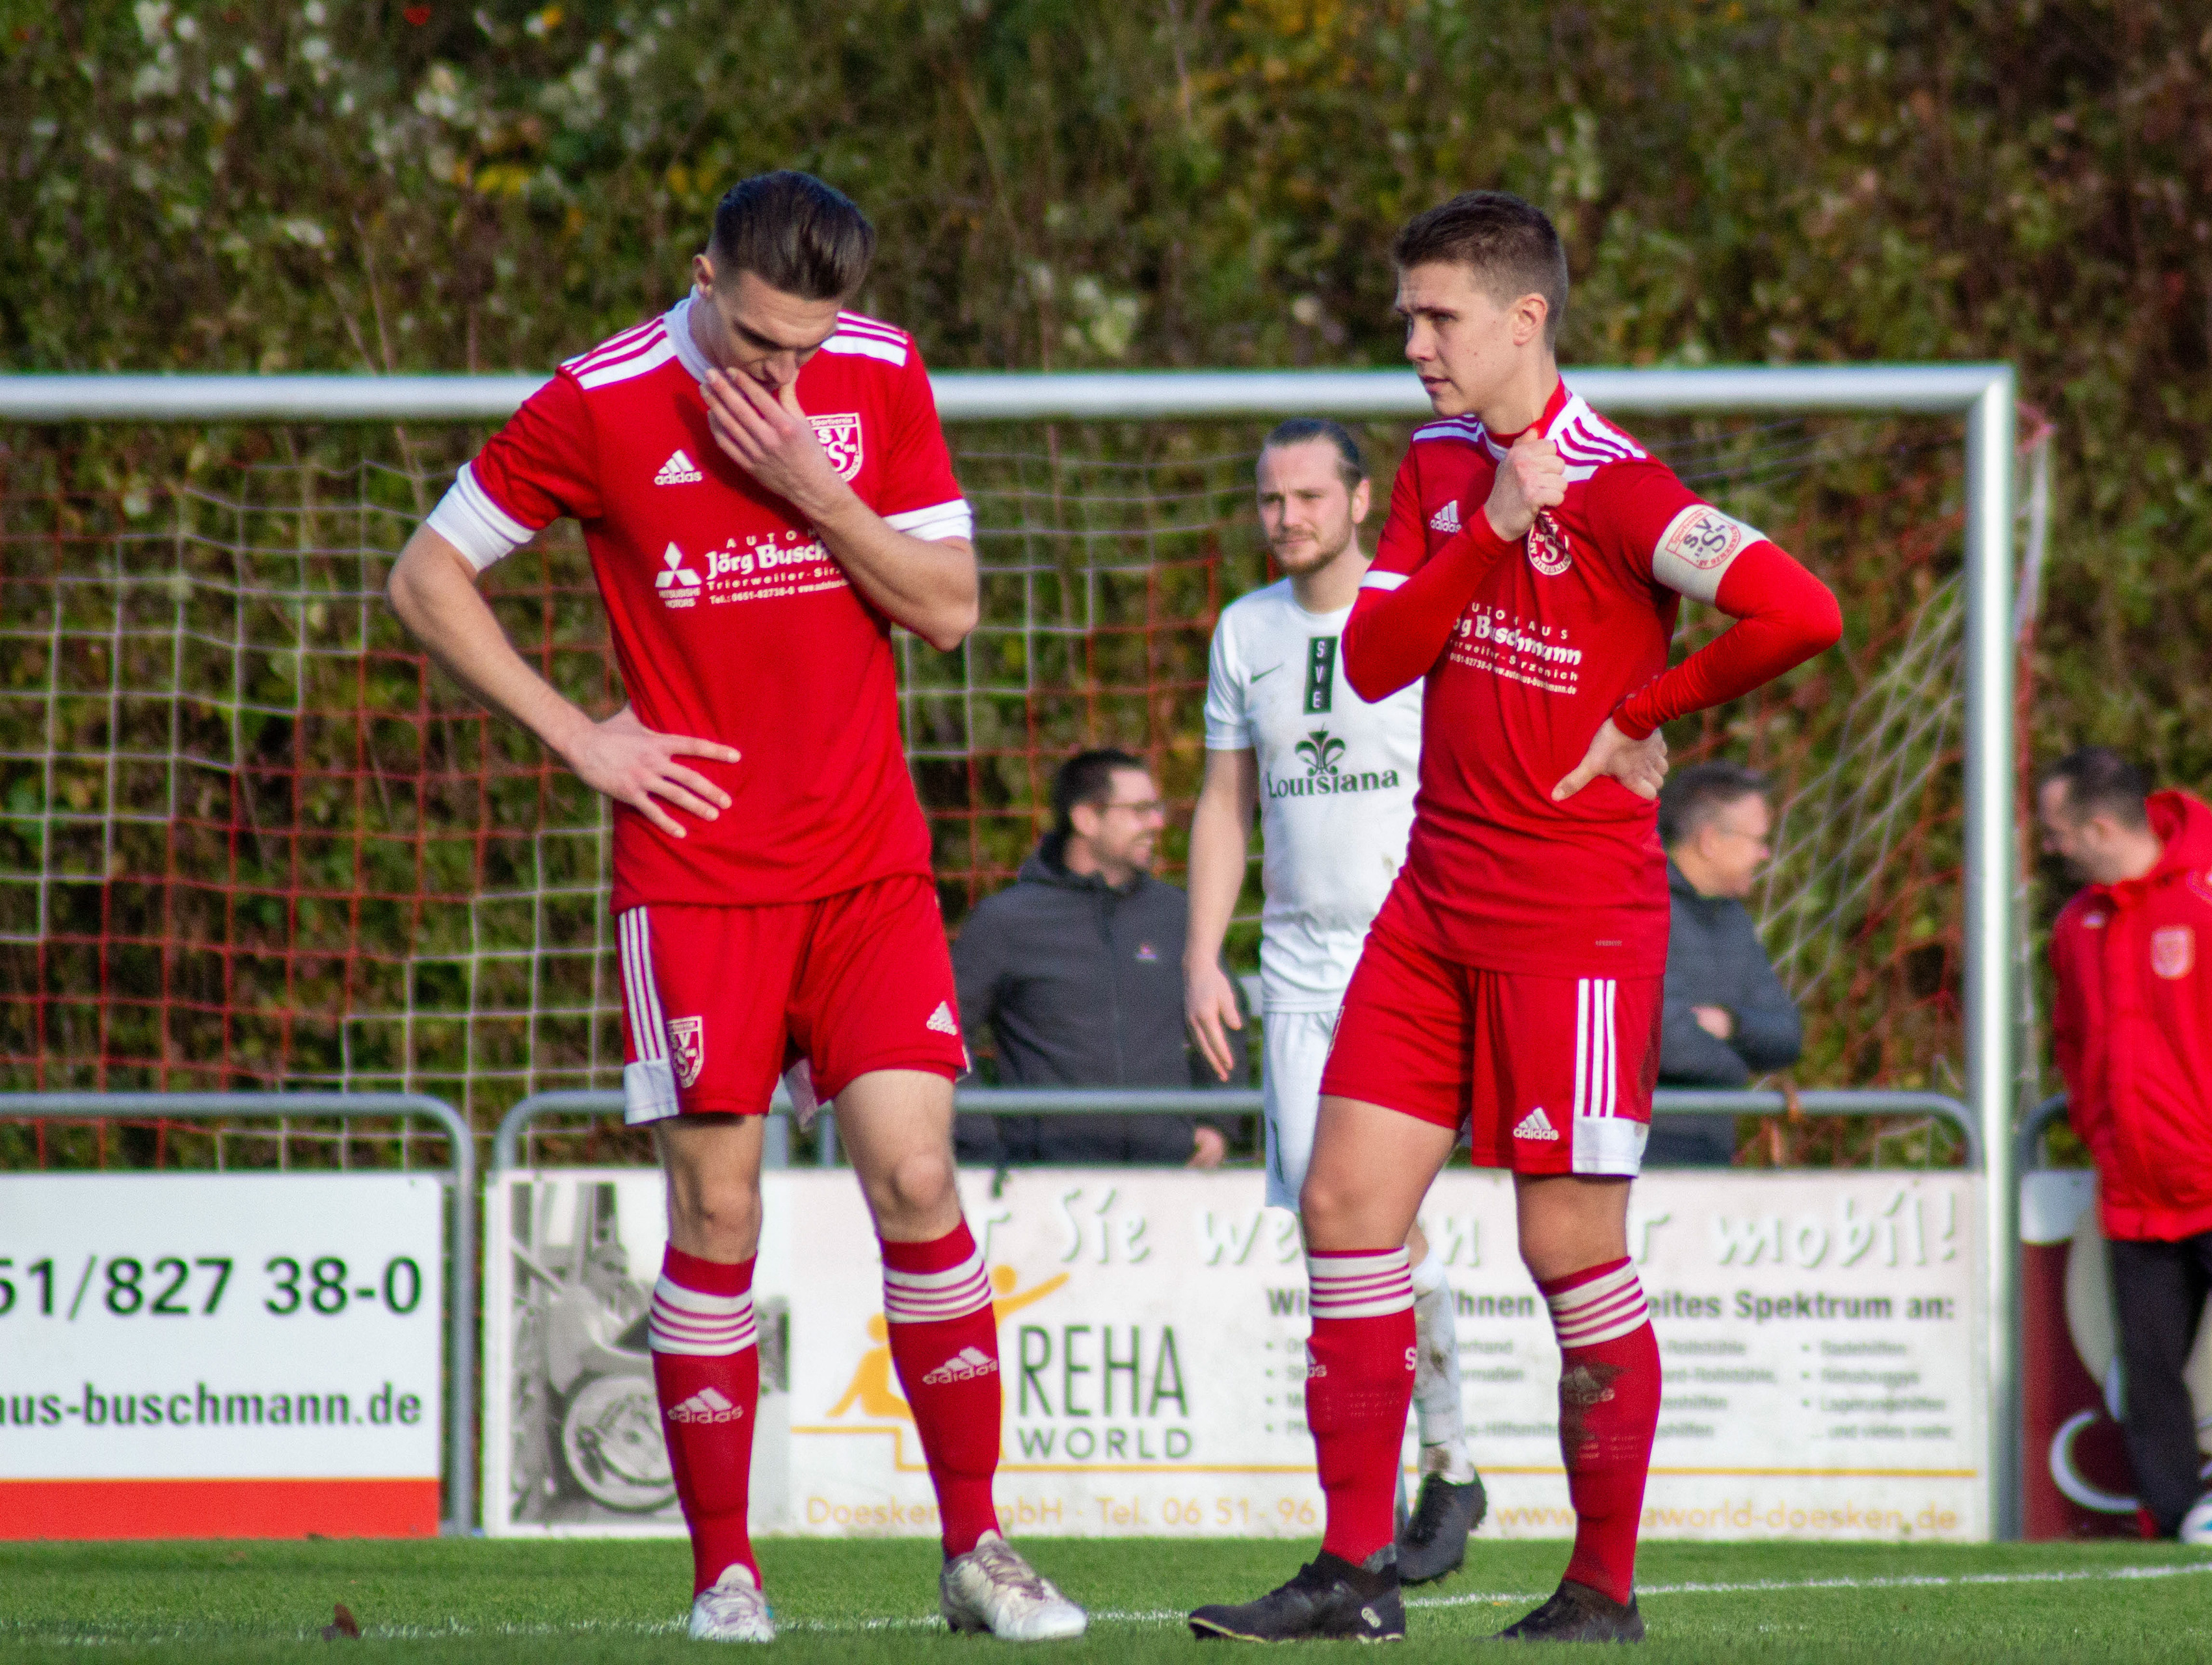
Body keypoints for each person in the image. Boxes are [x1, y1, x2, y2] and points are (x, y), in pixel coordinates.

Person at [387, 171, 1082, 1643]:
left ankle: (979, 1550)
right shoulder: (598, 398)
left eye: (801, 347)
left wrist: (817, 488)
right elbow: (426, 577)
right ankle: (724, 1572)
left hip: (868, 862)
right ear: (700, 274)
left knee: (916, 1181)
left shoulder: (877, 371)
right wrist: (580, 735)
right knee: (717, 1202)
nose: (779, 372)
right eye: (757, 340)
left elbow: (948, 604)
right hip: (694, 871)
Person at [1186, 191, 1841, 1644]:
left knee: (1569, 1253)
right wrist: (1486, 525)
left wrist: (1645, 710)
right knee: (1345, 1208)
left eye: (1439, 317)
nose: (1413, 341)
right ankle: (1355, 1577)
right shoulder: (1432, 469)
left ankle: (1600, 1590)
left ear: (1524, 319)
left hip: (1578, 930)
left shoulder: (1620, 486)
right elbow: (1373, 658)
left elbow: (1805, 609)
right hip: (1431, 906)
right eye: (1407, 315)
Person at [1183, 417, 1487, 1584]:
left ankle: (1439, 1472)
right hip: (1301, 975)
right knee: (1344, 1245)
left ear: (1362, 501)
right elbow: (1226, 802)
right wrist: (1207, 955)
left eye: (1310, 496)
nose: (1287, 517)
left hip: (1413, 960)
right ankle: (1441, 1478)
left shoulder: (1416, 609)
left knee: (1376, 1230)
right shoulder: (1244, 631)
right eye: (1270, 499)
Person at [2036, 747, 2212, 1542]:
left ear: (2099, 825)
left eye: (2058, 831)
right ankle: (2167, 1515)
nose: (2052, 847)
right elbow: (2072, 1037)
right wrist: (2102, 1128)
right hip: (2136, 1188)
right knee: (2152, 1363)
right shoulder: (2079, 923)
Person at [952, 749, 1229, 1167]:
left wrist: (1218, 1122)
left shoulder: (1179, 917)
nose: (1157, 823)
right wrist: (985, 1146)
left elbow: (1224, 1021)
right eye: (1139, 810)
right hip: (1044, 1181)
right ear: (1085, 818)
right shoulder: (1006, 922)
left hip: (1173, 1174)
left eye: (1156, 808)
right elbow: (945, 1036)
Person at [1647, 760, 1803, 1164]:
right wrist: (1739, 1068)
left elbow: (1786, 1034)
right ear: (1711, 840)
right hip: (1641, 1158)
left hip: (1713, 1158)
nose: (1765, 854)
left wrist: (1730, 1024)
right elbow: (1664, 1041)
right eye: (1758, 840)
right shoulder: (1640, 907)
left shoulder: (1733, 920)